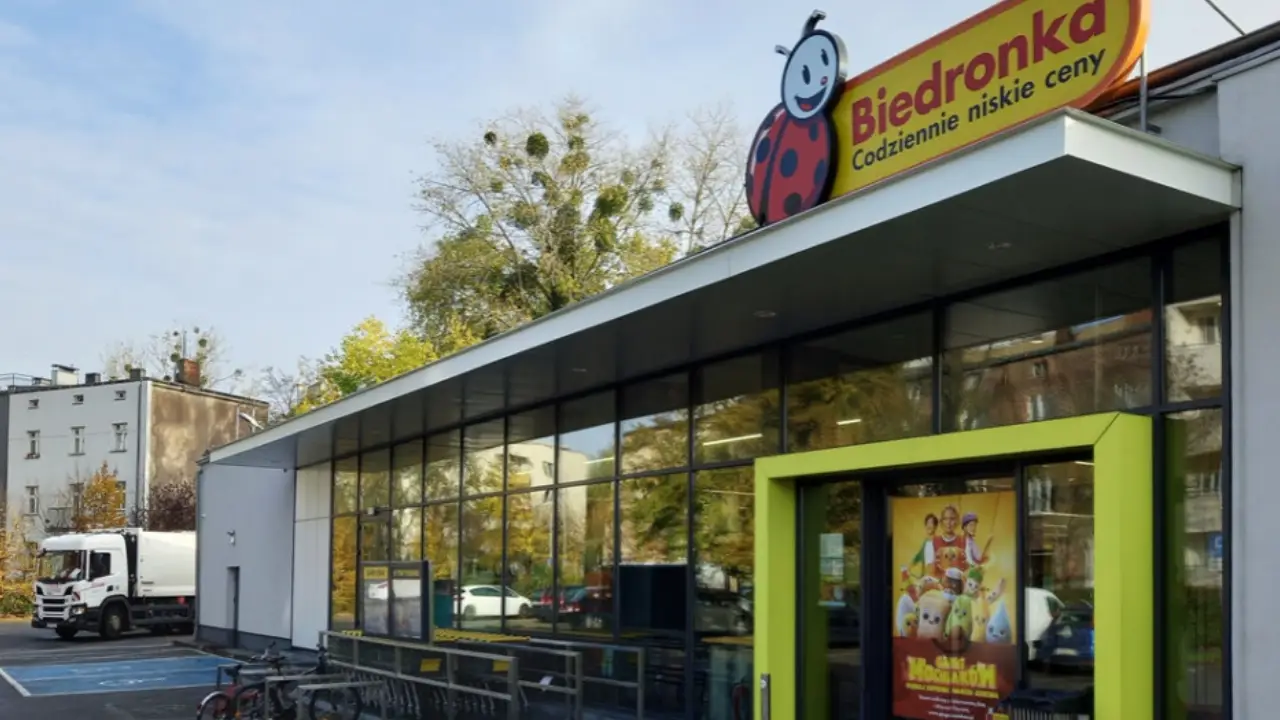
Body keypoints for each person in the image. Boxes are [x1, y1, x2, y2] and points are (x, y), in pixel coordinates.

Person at [924, 505, 967, 575]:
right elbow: (930, 569)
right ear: (941, 521)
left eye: (952, 519)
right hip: (939, 581)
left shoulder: (964, 541)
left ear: (957, 521)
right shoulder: (931, 542)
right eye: (945, 519)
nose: (948, 522)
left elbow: (968, 568)